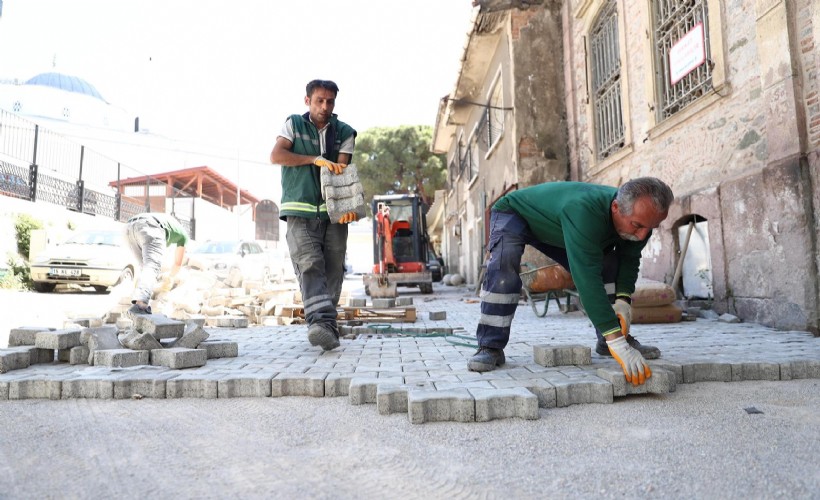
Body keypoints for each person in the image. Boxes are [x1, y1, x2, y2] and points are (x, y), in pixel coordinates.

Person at [468, 177, 674, 386]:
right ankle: (490, 346)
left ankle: (606, 341)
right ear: (615, 207)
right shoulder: (585, 212)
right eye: (637, 226)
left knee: (609, 263)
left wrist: (622, 299)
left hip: (556, 225)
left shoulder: (641, 220)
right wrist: (618, 342)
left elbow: (629, 261)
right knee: (505, 261)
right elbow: (587, 278)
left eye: (651, 228)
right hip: (516, 214)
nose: (642, 236)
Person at [269, 79, 358, 351]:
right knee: (309, 264)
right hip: (299, 209)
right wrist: (313, 159)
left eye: (330, 101)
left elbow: (342, 173)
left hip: (333, 215)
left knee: (333, 270)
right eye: (319, 100)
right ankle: (320, 323)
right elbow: (277, 155)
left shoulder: (345, 132)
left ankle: (326, 327)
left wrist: (348, 209)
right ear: (307, 100)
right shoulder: (293, 124)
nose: (325, 106)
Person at [125, 212, 189, 315]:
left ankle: (137, 303)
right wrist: (170, 278)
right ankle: (141, 305)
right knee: (152, 266)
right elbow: (177, 264)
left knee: (144, 268)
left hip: (128, 227)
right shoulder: (183, 234)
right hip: (149, 226)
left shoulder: (167, 222)